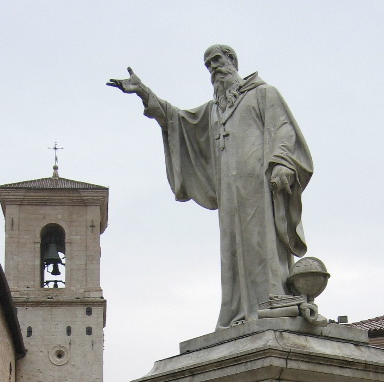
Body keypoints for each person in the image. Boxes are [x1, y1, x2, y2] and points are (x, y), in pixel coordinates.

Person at [108, 44, 313, 329]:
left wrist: (281, 164)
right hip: (229, 192)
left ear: (233, 61)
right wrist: (145, 93)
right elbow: (177, 120)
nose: (213, 67)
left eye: (217, 60)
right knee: (232, 251)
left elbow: (283, 130)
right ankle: (240, 309)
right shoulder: (214, 111)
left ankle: (272, 300)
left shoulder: (263, 94)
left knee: (260, 242)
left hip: (259, 185)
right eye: (208, 64)